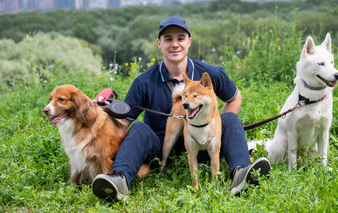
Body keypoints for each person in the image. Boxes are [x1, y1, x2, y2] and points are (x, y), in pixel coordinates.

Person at [92, 16, 270, 200]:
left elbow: (234, 97)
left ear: (189, 42)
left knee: (230, 119)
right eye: (168, 39)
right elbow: (123, 121)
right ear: (159, 43)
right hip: (161, 148)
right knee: (138, 128)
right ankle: (119, 179)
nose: (175, 44)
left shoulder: (210, 73)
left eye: (180, 38)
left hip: (204, 145)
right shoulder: (144, 81)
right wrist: (100, 112)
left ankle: (241, 172)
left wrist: (216, 129)